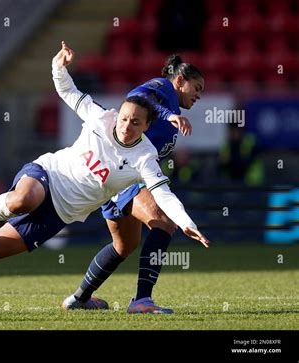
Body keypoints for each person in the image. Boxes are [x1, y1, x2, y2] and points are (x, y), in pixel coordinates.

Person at [0, 42, 209, 305]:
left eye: (135, 122)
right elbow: (132, 97)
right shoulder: (117, 111)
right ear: (179, 80)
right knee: (23, 198)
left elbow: (164, 191)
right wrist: (58, 65)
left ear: (145, 125)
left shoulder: (145, 156)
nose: (126, 125)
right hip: (49, 175)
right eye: (197, 86)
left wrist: (187, 223)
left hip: (71, 208)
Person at [61, 53, 206, 314]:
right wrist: (168, 115)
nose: (199, 95)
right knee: (163, 222)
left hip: (123, 177)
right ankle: (142, 300)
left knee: (124, 246)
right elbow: (138, 97)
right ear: (180, 80)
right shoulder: (163, 88)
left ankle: (79, 298)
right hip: (125, 173)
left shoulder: (171, 109)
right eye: (197, 88)